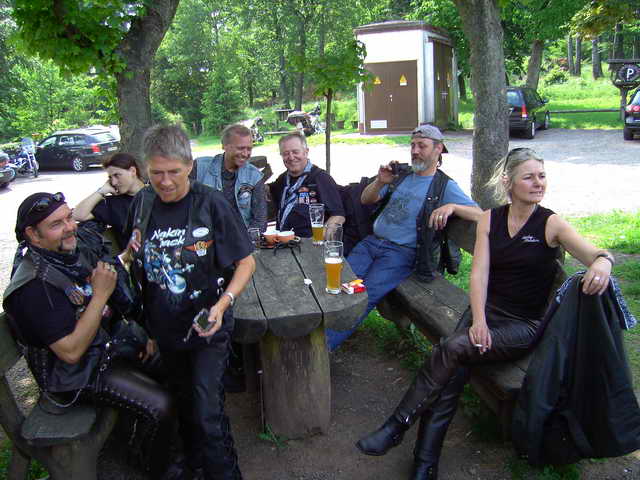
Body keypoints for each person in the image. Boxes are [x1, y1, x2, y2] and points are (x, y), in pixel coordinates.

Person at [355, 147, 615, 479]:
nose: (538, 183)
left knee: (451, 349)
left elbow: (597, 254)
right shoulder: (491, 219)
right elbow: (479, 274)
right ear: (508, 182)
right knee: (451, 372)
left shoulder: (551, 224)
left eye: (542, 176)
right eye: (529, 177)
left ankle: (397, 427)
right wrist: (478, 320)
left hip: (521, 326)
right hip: (483, 313)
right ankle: (424, 463)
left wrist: (603, 263)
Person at [2, 192, 173, 478]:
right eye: (56, 224)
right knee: (161, 406)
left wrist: (141, 334)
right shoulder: (33, 287)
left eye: (69, 217)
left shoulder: (65, 252)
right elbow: (70, 353)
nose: (70, 227)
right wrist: (101, 295)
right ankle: (157, 471)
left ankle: (146, 448)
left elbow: (112, 301)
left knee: (175, 363)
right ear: (32, 234)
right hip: (73, 377)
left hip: (101, 348)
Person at [123, 124, 255, 479]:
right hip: (165, 329)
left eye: (174, 172)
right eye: (156, 173)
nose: (165, 182)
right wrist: (146, 327)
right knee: (183, 405)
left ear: (190, 166)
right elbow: (135, 258)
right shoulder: (142, 203)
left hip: (208, 326)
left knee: (207, 410)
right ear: (145, 169)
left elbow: (246, 262)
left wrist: (223, 304)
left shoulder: (211, 203)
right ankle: (194, 467)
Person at [326, 125, 482, 351]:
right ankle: (316, 336)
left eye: (422, 146)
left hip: (399, 254)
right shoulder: (402, 175)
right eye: (413, 145)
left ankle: (324, 348)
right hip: (371, 243)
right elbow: (365, 199)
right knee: (337, 285)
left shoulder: (443, 185)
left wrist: (453, 206)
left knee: (364, 295)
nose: (415, 151)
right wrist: (380, 181)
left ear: (438, 149)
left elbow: (481, 214)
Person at [269, 132, 345, 236]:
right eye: (286, 153)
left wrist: (318, 238)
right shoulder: (282, 179)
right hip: (282, 240)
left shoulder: (321, 178)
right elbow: (265, 191)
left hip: (309, 242)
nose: (291, 157)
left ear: (306, 152)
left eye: (295, 152)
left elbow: (338, 216)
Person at [195, 124, 267, 231]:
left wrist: (246, 239)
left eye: (249, 149)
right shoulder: (199, 167)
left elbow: (260, 220)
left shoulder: (254, 176)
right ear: (224, 145)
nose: (245, 154)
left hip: (242, 236)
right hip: (204, 235)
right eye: (240, 148)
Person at [73, 152, 145, 248]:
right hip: (134, 256)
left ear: (133, 171)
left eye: (117, 175)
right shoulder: (113, 204)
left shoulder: (156, 194)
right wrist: (101, 191)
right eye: (110, 177)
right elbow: (77, 215)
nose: (114, 182)